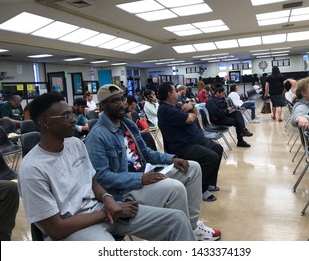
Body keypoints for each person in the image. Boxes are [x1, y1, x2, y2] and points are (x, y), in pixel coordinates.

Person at [18, 92, 195, 241]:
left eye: (72, 113)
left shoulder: (75, 144)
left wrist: (107, 198)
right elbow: (55, 229)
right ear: (44, 122)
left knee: (177, 219)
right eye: (66, 116)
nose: (74, 120)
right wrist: (107, 212)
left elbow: (93, 182)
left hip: (101, 210)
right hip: (73, 228)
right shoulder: (32, 169)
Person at [85, 84, 221, 241]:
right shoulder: (97, 136)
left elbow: (146, 153)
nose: (122, 104)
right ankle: (179, 234)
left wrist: (171, 159)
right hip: (124, 189)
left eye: (122, 99)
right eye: (114, 101)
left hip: (145, 173)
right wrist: (140, 179)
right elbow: (101, 177)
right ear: (102, 106)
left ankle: (192, 226)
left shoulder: (126, 124)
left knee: (193, 168)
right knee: (175, 188)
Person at [157, 82, 223, 202]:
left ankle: (208, 183)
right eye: (174, 91)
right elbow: (191, 118)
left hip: (195, 140)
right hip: (182, 146)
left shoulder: (175, 106)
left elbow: (194, 114)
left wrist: (192, 107)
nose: (177, 94)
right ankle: (201, 190)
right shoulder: (165, 110)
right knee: (211, 157)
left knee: (218, 149)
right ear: (169, 94)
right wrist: (192, 111)